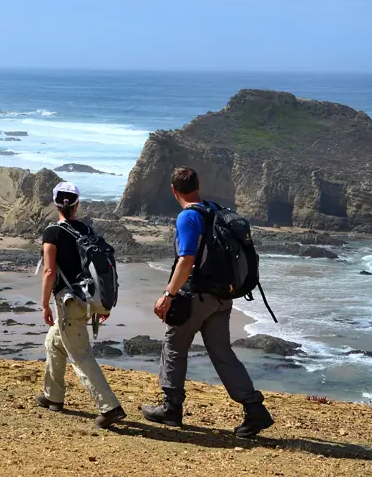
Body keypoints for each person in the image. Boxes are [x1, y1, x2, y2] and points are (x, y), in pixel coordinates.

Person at [142, 167, 274, 438]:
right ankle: (254, 409)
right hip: (222, 298)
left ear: (173, 190)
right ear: (198, 185)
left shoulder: (188, 217)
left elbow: (186, 259)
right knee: (223, 353)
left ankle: (171, 408)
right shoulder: (214, 210)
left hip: (196, 296)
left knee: (174, 346)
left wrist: (168, 295)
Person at [35, 181, 126, 429]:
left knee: (81, 355)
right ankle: (52, 395)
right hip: (88, 301)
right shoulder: (87, 230)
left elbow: (49, 271)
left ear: (56, 205)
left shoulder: (52, 233)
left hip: (68, 302)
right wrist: (102, 305)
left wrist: (44, 304)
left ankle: (110, 407)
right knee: (53, 342)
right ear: (77, 205)